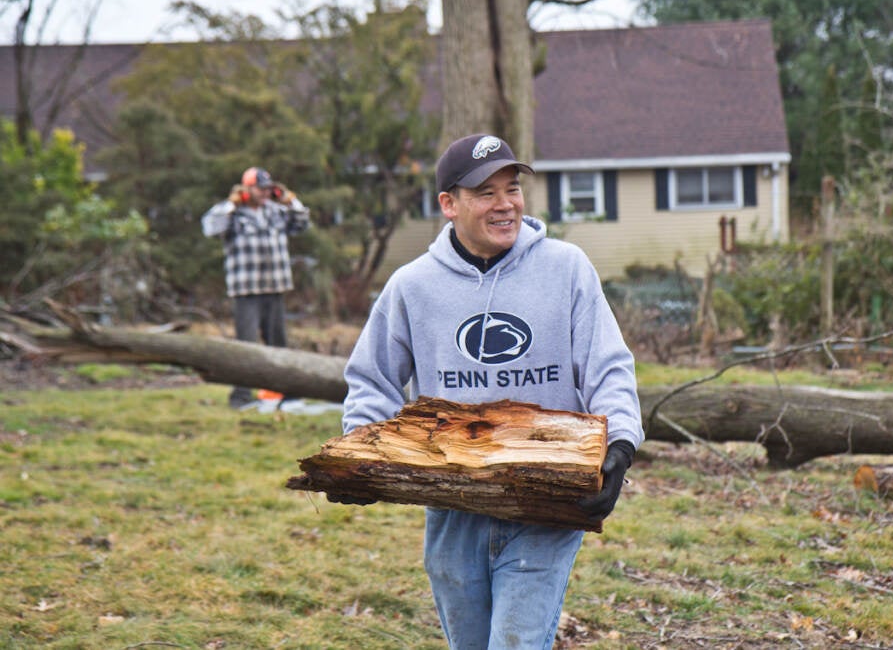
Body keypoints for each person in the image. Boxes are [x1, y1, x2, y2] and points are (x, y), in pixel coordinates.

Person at [336, 134, 644, 649]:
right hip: (454, 506)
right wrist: (361, 456)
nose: (506, 205)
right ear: (448, 205)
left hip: (546, 497)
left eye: (512, 188)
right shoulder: (413, 287)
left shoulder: (565, 269)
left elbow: (608, 366)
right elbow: (372, 381)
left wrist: (621, 446)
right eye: (485, 192)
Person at [201, 166, 310, 409]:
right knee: (246, 346)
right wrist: (232, 204)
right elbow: (210, 226)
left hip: (274, 286)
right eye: (260, 189)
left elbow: (302, 222)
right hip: (246, 290)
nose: (265, 193)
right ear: (246, 189)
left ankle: (288, 394)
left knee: (278, 344)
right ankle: (240, 397)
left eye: (268, 189)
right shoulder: (233, 214)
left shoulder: (276, 212)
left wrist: (290, 199)